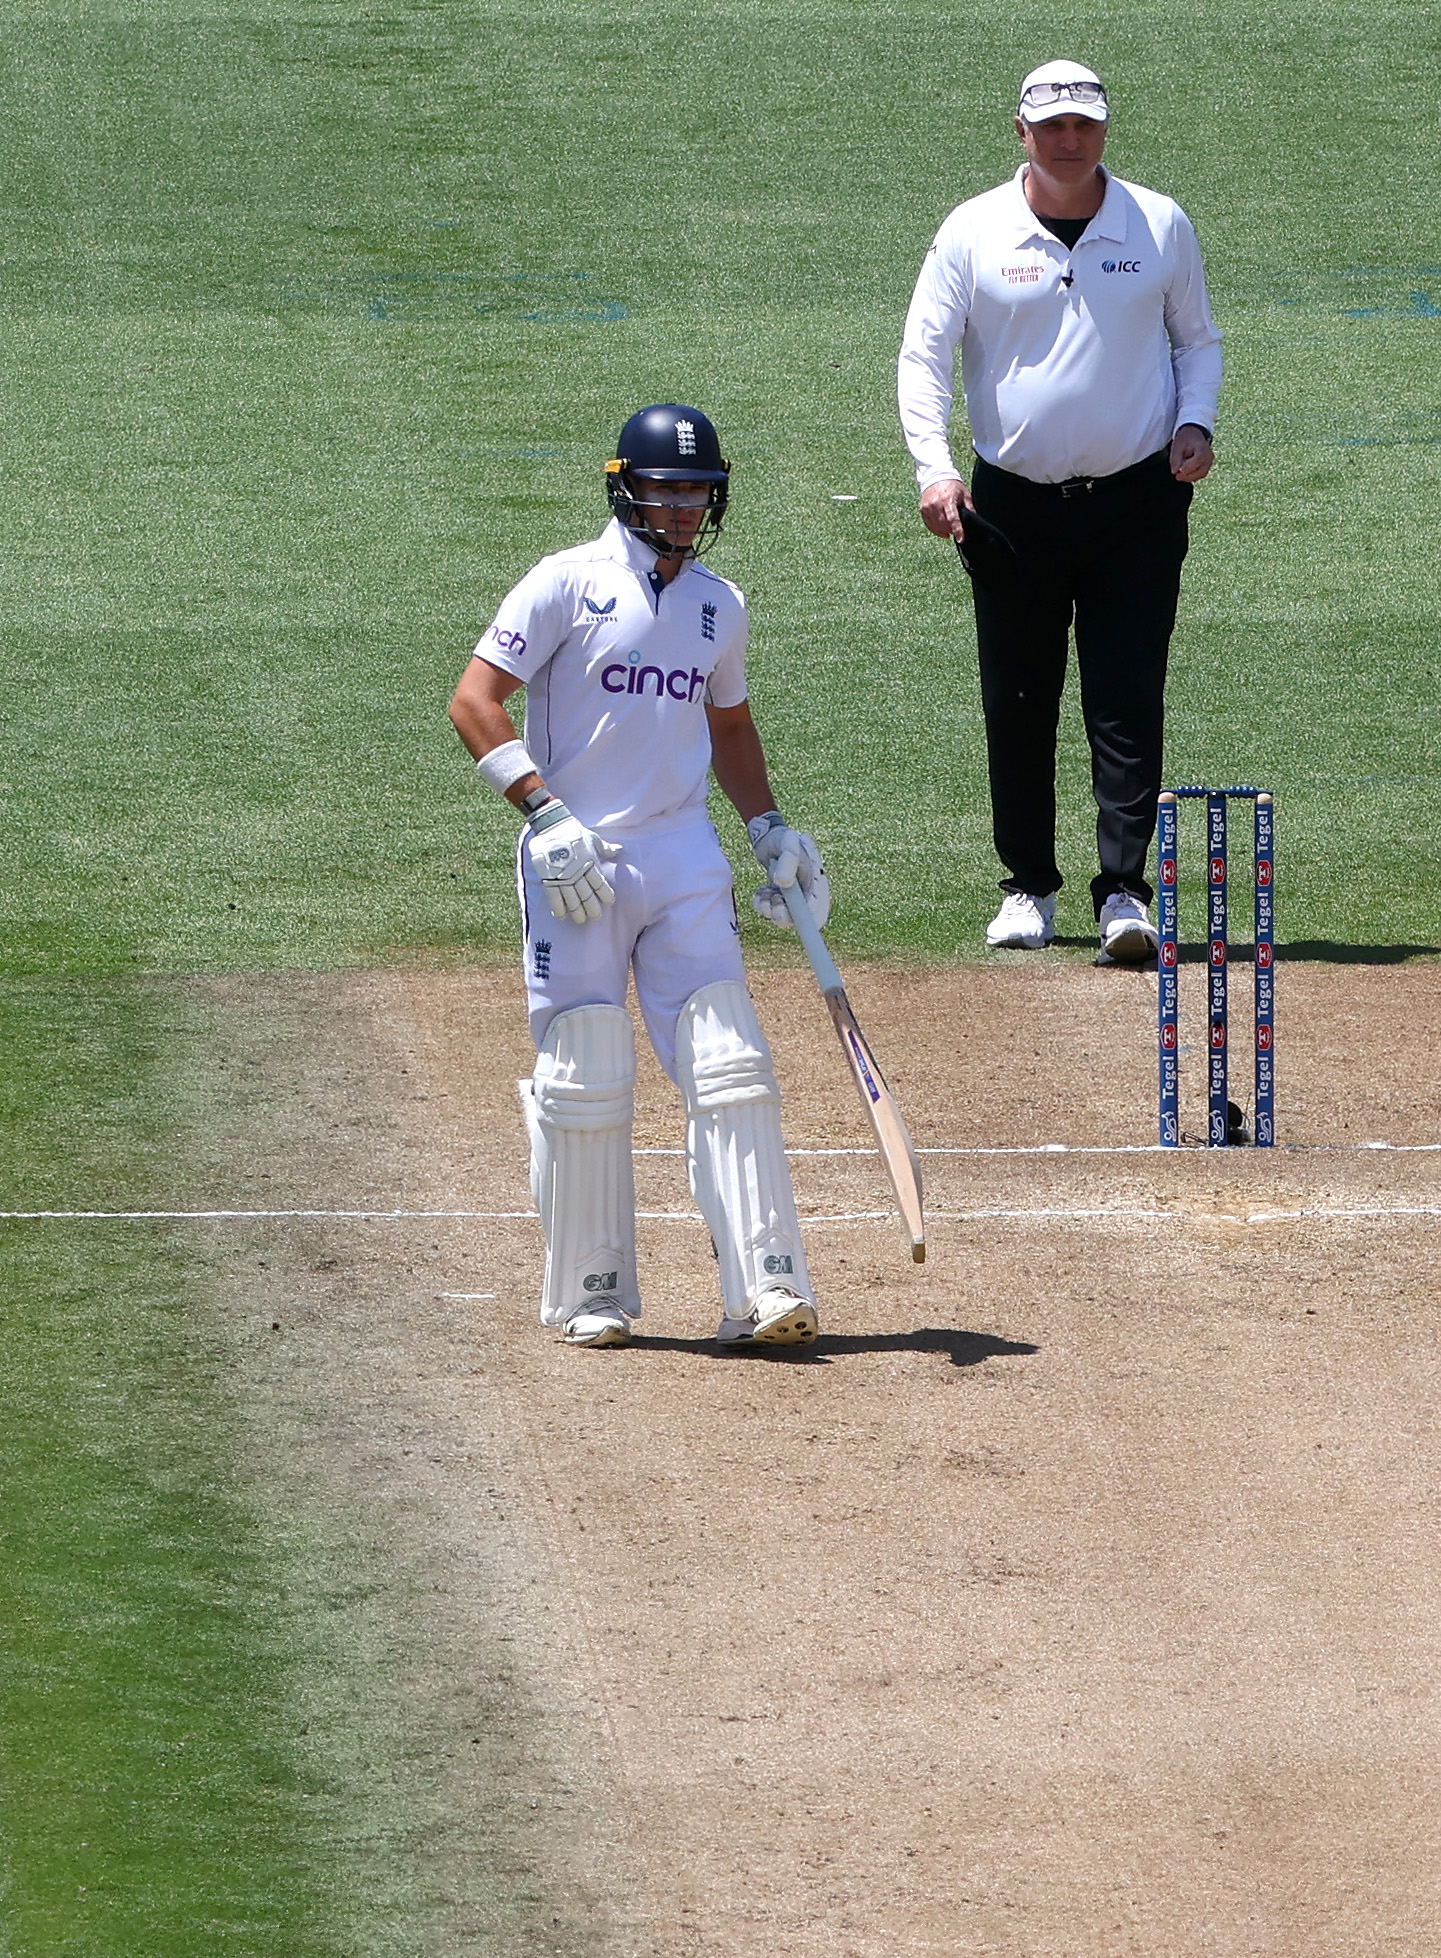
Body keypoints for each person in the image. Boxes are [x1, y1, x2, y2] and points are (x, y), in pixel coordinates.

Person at [446, 405, 834, 1349]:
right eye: (666, 487)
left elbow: (730, 726)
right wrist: (542, 810)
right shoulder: (562, 584)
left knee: (728, 1060)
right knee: (585, 1066)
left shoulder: (718, 605)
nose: (683, 506)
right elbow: (472, 703)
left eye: (698, 490)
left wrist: (769, 829)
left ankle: (768, 1285)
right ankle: (593, 1292)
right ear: (626, 487)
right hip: (575, 858)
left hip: (682, 855)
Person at [899, 59, 1224, 965]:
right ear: (1022, 132)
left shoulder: (1158, 223)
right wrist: (934, 471)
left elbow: (1197, 340)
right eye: (1052, 126)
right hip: (1009, 505)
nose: (1068, 140)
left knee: (1126, 698)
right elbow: (922, 358)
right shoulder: (972, 230)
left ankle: (1124, 890)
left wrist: (1195, 421)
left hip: (1138, 501)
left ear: (1104, 131)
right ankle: (1027, 888)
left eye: (1083, 124)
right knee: (1018, 696)